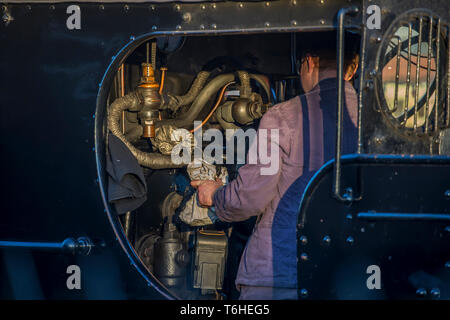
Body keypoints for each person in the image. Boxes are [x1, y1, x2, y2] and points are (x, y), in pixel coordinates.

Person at [191, 32, 360, 300]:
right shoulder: (372, 127)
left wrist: (215, 194)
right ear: (354, 68)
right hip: (349, 277)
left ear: (307, 62)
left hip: (279, 275)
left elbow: (250, 198)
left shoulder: (283, 116)